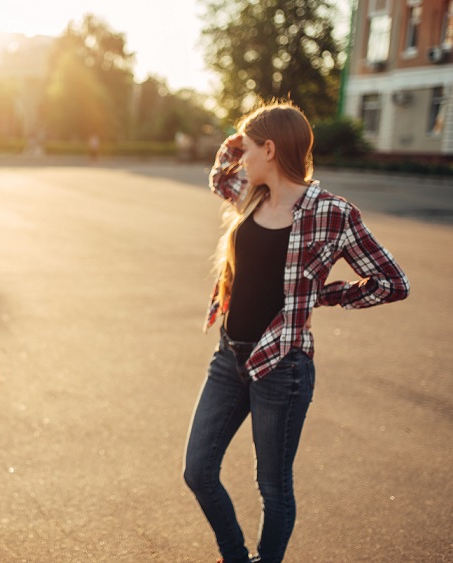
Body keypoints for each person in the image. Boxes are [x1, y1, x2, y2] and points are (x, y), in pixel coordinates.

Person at [182, 101, 409, 563]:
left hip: (282, 366)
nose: (240, 158)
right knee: (198, 470)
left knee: (272, 486)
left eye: (248, 149)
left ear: (269, 149)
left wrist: (326, 295)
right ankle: (235, 556)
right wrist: (236, 140)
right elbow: (219, 177)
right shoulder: (252, 193)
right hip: (230, 355)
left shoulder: (332, 213)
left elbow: (393, 283)